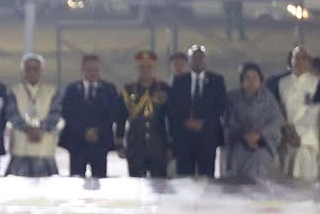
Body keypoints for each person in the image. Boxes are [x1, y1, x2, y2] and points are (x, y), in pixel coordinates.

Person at [58, 53, 126, 179]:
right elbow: (67, 113)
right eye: (89, 69)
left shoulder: (109, 89)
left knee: (100, 180)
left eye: (96, 70)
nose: (93, 73)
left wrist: (97, 131)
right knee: (76, 180)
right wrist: (84, 131)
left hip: (100, 142)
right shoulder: (72, 89)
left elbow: (113, 114)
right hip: (77, 142)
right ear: (82, 70)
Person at [168, 44, 227, 178]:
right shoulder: (179, 81)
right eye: (194, 58)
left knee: (207, 178)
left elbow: (221, 106)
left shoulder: (217, 81)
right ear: (189, 61)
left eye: (201, 57)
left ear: (206, 60)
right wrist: (185, 121)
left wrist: (204, 122)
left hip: (208, 137)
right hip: (184, 138)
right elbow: (172, 107)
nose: (198, 60)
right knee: (184, 178)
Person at [224, 62, 284, 181]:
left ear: (260, 79)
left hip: (263, 143)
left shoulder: (268, 97)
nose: (251, 81)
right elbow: (228, 121)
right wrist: (245, 135)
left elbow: (277, 120)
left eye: (255, 78)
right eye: (247, 78)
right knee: (237, 163)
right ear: (242, 81)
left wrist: (259, 134)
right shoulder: (233, 97)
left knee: (259, 160)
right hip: (239, 141)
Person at [5, 54, 61, 177]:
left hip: (44, 150)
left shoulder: (52, 91)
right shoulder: (14, 91)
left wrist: (42, 129)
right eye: (29, 68)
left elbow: (55, 115)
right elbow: (12, 114)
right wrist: (27, 129)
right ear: (23, 71)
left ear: (42, 71)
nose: (32, 72)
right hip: (21, 151)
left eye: (36, 68)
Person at [120, 50, 172, 179]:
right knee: (136, 184)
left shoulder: (163, 88)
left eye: (149, 67)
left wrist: (171, 146)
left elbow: (171, 118)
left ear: (154, 68)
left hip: (159, 145)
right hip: (135, 146)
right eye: (142, 67)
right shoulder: (128, 90)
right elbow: (120, 118)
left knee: (160, 185)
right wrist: (120, 143)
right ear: (137, 69)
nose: (145, 70)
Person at [273, 46, 317, 182]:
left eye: (304, 58)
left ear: (309, 61)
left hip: (307, 139)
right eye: (296, 58)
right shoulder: (282, 83)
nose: (300, 61)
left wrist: (298, 131)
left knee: (306, 182)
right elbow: (279, 109)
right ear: (291, 60)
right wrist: (286, 129)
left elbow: (315, 110)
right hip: (286, 138)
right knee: (286, 182)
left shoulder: (316, 83)